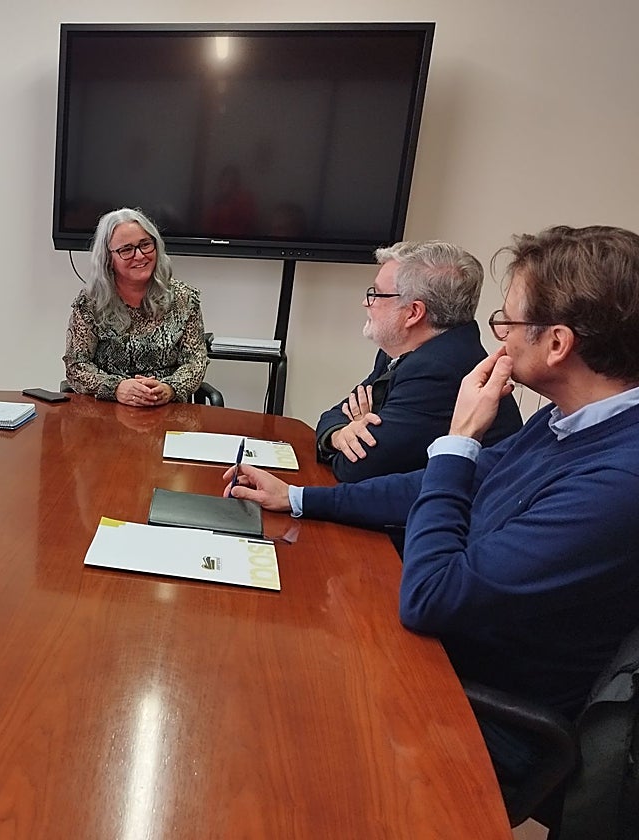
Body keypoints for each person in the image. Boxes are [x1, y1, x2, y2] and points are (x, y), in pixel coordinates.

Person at [225, 225, 639, 785]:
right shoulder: (565, 421)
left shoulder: (618, 477)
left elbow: (431, 597)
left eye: (507, 324)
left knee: (259, 710)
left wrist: (461, 436)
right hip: (440, 656)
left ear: (558, 344)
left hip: (482, 713)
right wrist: (299, 498)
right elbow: (437, 486)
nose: (499, 343)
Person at [316, 241, 522, 482]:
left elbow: (355, 469)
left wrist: (355, 432)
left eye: (375, 294)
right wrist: (339, 434)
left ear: (413, 313)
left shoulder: (439, 369)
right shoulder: (401, 351)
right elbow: (334, 414)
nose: (366, 303)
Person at [63, 208, 208, 406]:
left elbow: (195, 362)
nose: (139, 256)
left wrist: (168, 388)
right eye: (126, 249)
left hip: (166, 407)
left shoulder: (184, 298)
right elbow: (76, 365)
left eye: (145, 244)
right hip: (107, 409)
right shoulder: (91, 302)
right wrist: (117, 388)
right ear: (108, 258)